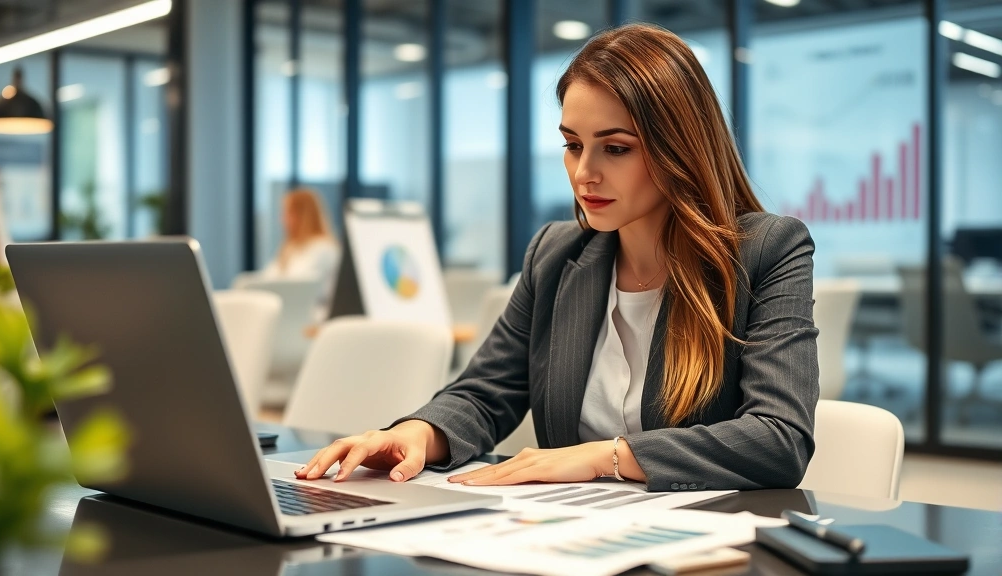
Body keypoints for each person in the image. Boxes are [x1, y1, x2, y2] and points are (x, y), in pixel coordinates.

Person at [296, 23, 819, 492]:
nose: (583, 172)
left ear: (679, 148)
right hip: (562, 534)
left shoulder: (767, 251)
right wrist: (416, 432)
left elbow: (778, 440)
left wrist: (602, 459)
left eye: (615, 148)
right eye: (573, 145)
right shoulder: (555, 254)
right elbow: (484, 394)